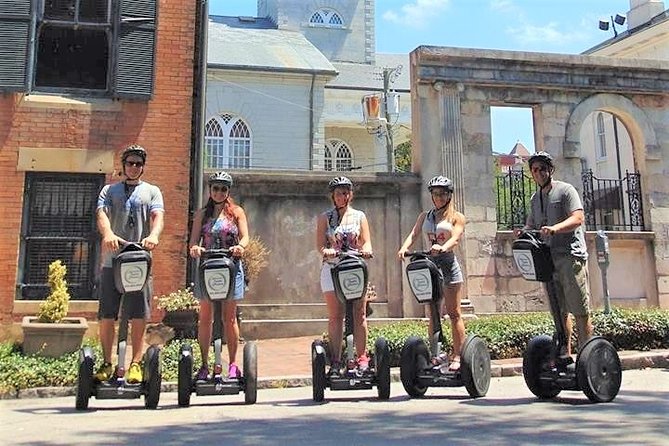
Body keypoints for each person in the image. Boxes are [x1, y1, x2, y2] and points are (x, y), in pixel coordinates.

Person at [95, 144, 165, 383]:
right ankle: (106, 362)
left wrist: (154, 236)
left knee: (138, 314)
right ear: (123, 165)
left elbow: (157, 217)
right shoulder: (109, 190)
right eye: (130, 163)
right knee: (107, 313)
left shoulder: (152, 191)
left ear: (143, 167)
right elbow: (102, 214)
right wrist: (108, 234)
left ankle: (135, 363)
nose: (134, 167)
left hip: (139, 261)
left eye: (138, 163)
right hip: (112, 261)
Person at [516, 151, 592, 357]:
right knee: (559, 312)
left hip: (570, 256)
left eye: (542, 168)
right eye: (534, 170)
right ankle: (564, 354)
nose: (538, 172)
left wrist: (556, 228)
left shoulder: (566, 191)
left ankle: (587, 356)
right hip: (547, 259)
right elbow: (532, 224)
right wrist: (523, 231)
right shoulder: (535, 198)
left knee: (579, 308)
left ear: (550, 170)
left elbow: (578, 218)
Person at [397, 175, 466, 372]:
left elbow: (456, 237)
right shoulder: (425, 216)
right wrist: (404, 248)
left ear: (449, 195)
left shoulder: (456, 217)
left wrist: (443, 247)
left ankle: (459, 355)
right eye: (436, 194)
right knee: (433, 313)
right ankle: (436, 354)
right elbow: (414, 234)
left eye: (443, 193)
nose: (439, 197)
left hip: (448, 265)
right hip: (430, 265)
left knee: (453, 313)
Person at [189, 171, 249, 380]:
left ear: (228, 191)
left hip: (231, 267)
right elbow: (193, 241)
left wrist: (240, 246)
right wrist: (195, 248)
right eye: (216, 188)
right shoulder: (201, 214)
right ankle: (205, 365)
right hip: (208, 268)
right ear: (210, 190)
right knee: (205, 318)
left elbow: (245, 237)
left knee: (229, 317)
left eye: (223, 189)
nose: (219, 192)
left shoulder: (237, 212)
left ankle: (232, 364)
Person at [316, 176, 373, 376]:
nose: (343, 196)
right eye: (339, 192)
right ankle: (337, 360)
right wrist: (327, 251)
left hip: (355, 269)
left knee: (359, 314)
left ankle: (362, 357)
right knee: (335, 316)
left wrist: (366, 250)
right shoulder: (325, 217)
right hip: (332, 269)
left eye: (346, 192)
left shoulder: (359, 216)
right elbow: (320, 245)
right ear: (333, 195)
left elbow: (367, 242)